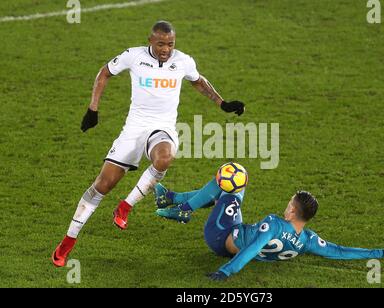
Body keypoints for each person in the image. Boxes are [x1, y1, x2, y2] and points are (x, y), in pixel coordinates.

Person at [51, 21, 245, 267]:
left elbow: (198, 81)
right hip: (133, 129)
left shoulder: (183, 61)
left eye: (171, 44)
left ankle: (125, 206)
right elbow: (105, 73)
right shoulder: (134, 56)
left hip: (162, 128)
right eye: (161, 44)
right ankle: (67, 242)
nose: (166, 49)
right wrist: (93, 109)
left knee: (164, 157)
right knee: (102, 185)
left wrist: (222, 103)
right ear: (150, 41)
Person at [154, 174, 384, 280]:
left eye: (289, 203)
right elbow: (339, 251)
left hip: (220, 237)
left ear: (293, 210)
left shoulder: (273, 223)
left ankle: (181, 208)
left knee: (231, 179)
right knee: (230, 191)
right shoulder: (308, 240)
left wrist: (226, 272)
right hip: (236, 228)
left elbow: (251, 249)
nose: (286, 205)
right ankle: (172, 198)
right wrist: (379, 252)